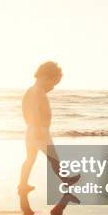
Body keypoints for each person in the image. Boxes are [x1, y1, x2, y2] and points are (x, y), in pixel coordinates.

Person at [19, 61, 80, 193]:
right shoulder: (38, 92)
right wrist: (37, 130)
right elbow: (34, 111)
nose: (53, 88)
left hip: (31, 130)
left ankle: (22, 184)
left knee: (30, 159)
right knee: (54, 158)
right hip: (39, 131)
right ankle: (66, 180)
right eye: (53, 83)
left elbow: (25, 111)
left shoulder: (30, 91)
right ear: (45, 77)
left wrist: (30, 128)